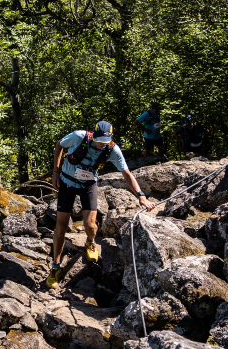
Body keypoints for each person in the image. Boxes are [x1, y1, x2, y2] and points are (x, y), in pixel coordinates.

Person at [47, 121, 154, 289]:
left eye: (103, 141)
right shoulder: (79, 137)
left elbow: (126, 174)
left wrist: (141, 195)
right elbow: (59, 145)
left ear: (110, 139)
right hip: (67, 182)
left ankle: (90, 241)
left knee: (90, 225)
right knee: (61, 226)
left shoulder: (113, 150)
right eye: (97, 140)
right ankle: (55, 267)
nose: (99, 144)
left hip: (88, 185)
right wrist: (56, 171)